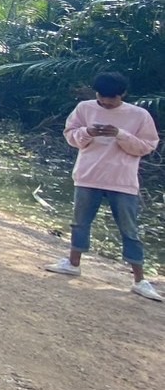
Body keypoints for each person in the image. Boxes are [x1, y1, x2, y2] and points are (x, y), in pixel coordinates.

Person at [47, 71, 162, 301]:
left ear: (123, 94)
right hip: (88, 176)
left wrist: (120, 134)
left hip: (122, 181)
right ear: (96, 93)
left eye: (112, 98)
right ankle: (73, 263)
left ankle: (140, 280)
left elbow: (147, 146)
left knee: (129, 230)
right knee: (80, 223)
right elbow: (70, 135)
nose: (106, 102)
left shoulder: (139, 115)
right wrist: (87, 132)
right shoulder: (84, 108)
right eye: (101, 97)